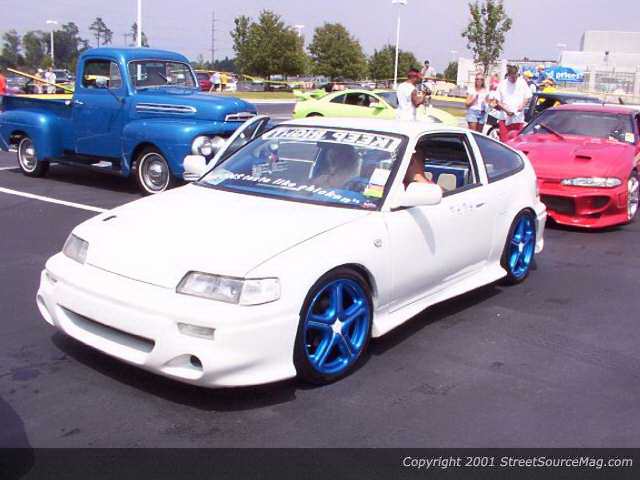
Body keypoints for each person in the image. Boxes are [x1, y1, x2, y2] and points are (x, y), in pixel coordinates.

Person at [496, 65, 532, 141]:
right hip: (505, 118)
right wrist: (507, 111)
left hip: (518, 118)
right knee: (504, 142)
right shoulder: (502, 84)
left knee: (517, 142)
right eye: (512, 77)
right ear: (508, 75)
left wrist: (522, 105)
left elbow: (527, 96)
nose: (514, 79)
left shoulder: (522, 82)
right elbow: (497, 101)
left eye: (515, 77)